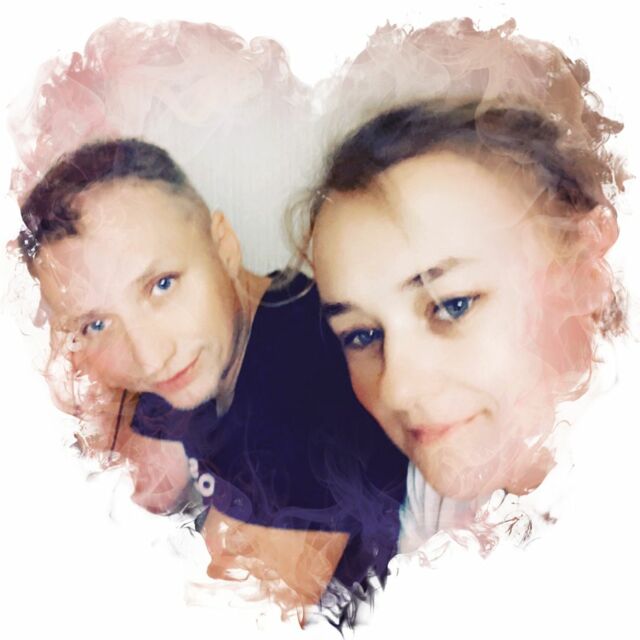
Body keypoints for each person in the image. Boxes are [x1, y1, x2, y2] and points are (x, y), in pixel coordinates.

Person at [18, 138, 408, 610]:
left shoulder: (305, 399)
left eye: (161, 284)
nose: (150, 357)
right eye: (96, 324)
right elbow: (143, 487)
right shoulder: (205, 342)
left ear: (224, 246)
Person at [299, 89, 625, 551]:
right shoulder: (440, 489)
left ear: (585, 275)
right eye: (362, 334)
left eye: (452, 305)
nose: (398, 390)